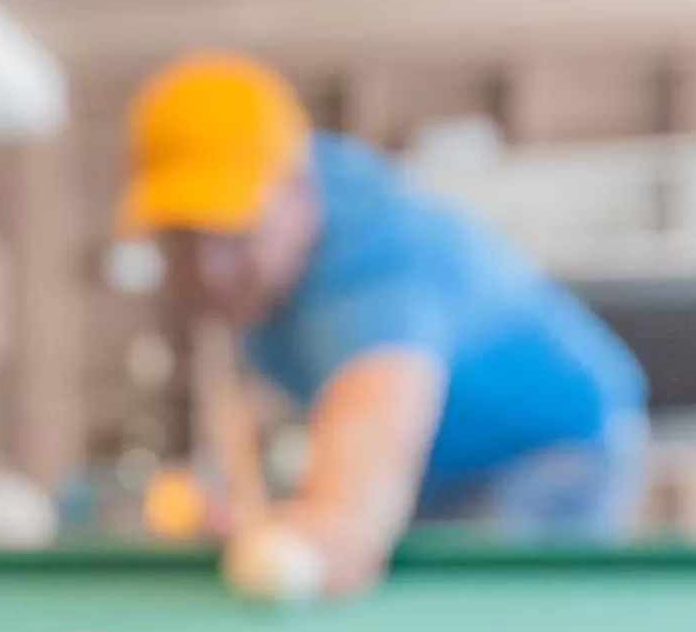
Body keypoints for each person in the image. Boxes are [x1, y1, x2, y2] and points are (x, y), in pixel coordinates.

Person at [117, 51, 649, 598]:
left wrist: (332, 521)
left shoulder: (378, 259)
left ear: (297, 192)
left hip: (553, 451)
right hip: (438, 470)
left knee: (482, 619)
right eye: (183, 238)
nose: (209, 270)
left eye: (235, 235)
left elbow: (373, 420)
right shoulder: (271, 266)